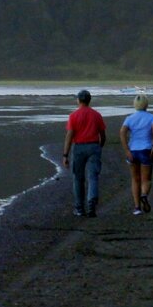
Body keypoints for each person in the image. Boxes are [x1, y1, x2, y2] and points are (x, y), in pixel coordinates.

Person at [62, 89, 106, 217]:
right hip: (94, 146)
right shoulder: (96, 115)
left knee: (78, 178)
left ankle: (79, 208)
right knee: (93, 176)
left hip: (79, 147)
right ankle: (91, 201)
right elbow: (103, 135)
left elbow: (69, 136)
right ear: (89, 100)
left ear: (78, 100)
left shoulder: (73, 116)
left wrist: (65, 154)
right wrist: (99, 146)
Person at [120, 93, 153, 215]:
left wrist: (126, 149)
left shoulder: (129, 118)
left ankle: (137, 207)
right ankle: (144, 195)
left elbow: (122, 132)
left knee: (135, 179)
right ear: (146, 105)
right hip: (146, 149)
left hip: (133, 150)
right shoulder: (152, 117)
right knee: (146, 179)